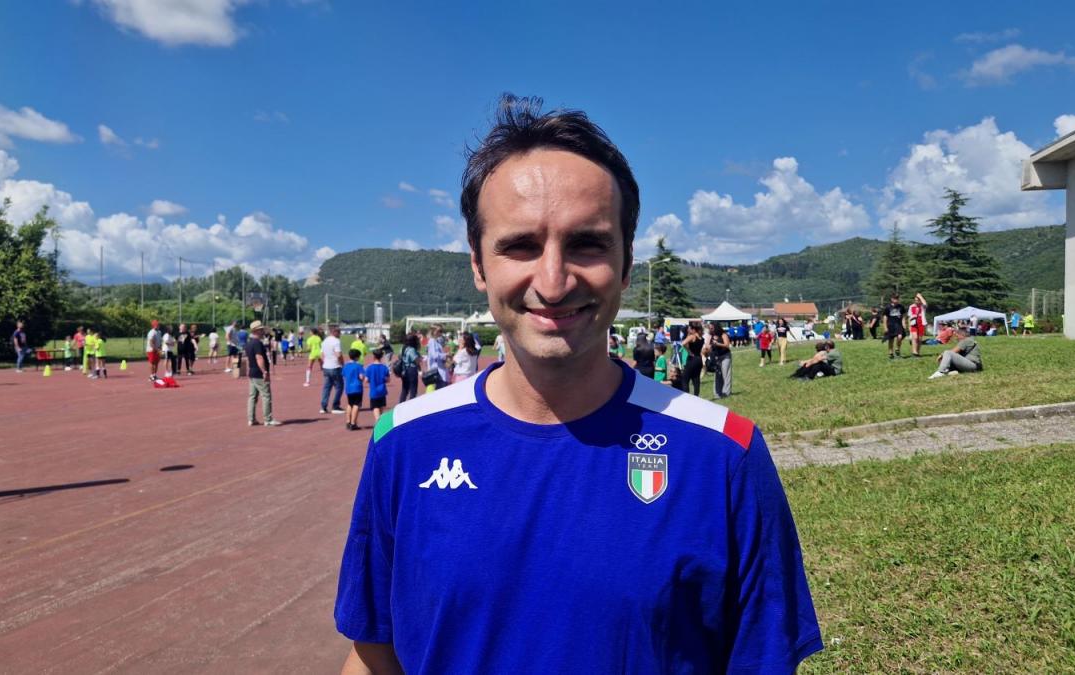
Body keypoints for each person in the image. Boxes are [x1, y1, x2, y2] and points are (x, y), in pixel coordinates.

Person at [335, 96, 821, 674]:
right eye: (520, 245)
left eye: (587, 244)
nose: (554, 281)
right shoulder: (403, 444)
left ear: (627, 261)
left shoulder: (724, 453)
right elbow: (373, 658)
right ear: (478, 264)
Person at [245, 321, 280, 426]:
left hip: (252, 372)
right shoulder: (257, 343)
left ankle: (251, 419)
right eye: (261, 329)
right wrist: (264, 371)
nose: (263, 331)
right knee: (266, 396)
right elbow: (259, 358)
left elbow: (248, 359)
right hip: (259, 373)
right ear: (256, 331)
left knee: (252, 397)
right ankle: (268, 419)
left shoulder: (249, 343)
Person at [320, 324, 345, 414]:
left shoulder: (325, 341)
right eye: (339, 332)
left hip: (326, 367)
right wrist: (342, 364)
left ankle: (323, 407)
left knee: (326, 387)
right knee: (339, 386)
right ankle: (335, 406)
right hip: (335, 366)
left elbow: (321, 355)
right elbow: (338, 355)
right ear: (334, 332)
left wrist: (326, 362)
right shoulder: (336, 341)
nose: (340, 334)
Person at [705, 321, 733, 399]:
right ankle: (717, 393)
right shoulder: (710, 335)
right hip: (716, 357)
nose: (710, 329)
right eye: (710, 328)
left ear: (716, 327)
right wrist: (708, 348)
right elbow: (707, 345)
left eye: (712, 328)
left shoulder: (723, 334)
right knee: (717, 374)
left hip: (725, 356)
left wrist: (717, 344)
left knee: (725, 374)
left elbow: (727, 345)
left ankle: (726, 392)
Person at [343, 348, 366, 430]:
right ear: (357, 357)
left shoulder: (346, 366)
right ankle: (353, 423)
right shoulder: (358, 366)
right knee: (356, 404)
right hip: (357, 387)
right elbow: (361, 377)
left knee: (350, 404)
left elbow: (344, 375)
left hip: (348, 388)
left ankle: (348, 421)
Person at [365, 349, 391, 421]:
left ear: (374, 356)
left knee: (375, 407)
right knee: (381, 407)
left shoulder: (369, 367)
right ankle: (380, 421)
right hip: (382, 391)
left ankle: (378, 422)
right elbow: (388, 380)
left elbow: (366, 380)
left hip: (374, 391)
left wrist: (372, 380)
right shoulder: (384, 367)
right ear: (381, 357)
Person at [679, 322, 704, 395]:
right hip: (699, 359)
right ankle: (696, 396)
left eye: (690, 328)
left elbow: (683, 343)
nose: (688, 330)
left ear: (693, 329)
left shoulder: (692, 336)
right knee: (696, 379)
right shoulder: (701, 338)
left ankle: (687, 396)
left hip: (692, 359)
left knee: (685, 378)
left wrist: (688, 351)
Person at [397, 333, 421, 403]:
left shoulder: (403, 348)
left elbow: (399, 357)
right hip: (411, 370)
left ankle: (401, 404)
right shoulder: (412, 349)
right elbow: (416, 361)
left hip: (404, 370)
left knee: (404, 389)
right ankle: (411, 405)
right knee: (413, 390)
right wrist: (420, 358)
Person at [883, 293, 905, 359]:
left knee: (900, 337)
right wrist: (885, 327)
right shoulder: (888, 307)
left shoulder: (901, 307)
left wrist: (904, 324)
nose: (896, 300)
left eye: (897, 298)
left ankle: (897, 349)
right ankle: (891, 353)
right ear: (892, 299)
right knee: (891, 340)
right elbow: (885, 317)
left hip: (898, 325)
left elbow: (903, 316)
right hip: (890, 325)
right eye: (895, 298)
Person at [908, 292, 927, 357]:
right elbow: (909, 316)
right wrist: (909, 325)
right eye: (915, 300)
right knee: (915, 337)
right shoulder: (911, 306)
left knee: (919, 339)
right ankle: (914, 352)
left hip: (921, 323)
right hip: (913, 324)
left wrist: (920, 296)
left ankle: (918, 352)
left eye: (918, 300)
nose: (916, 301)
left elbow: (925, 303)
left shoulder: (922, 306)